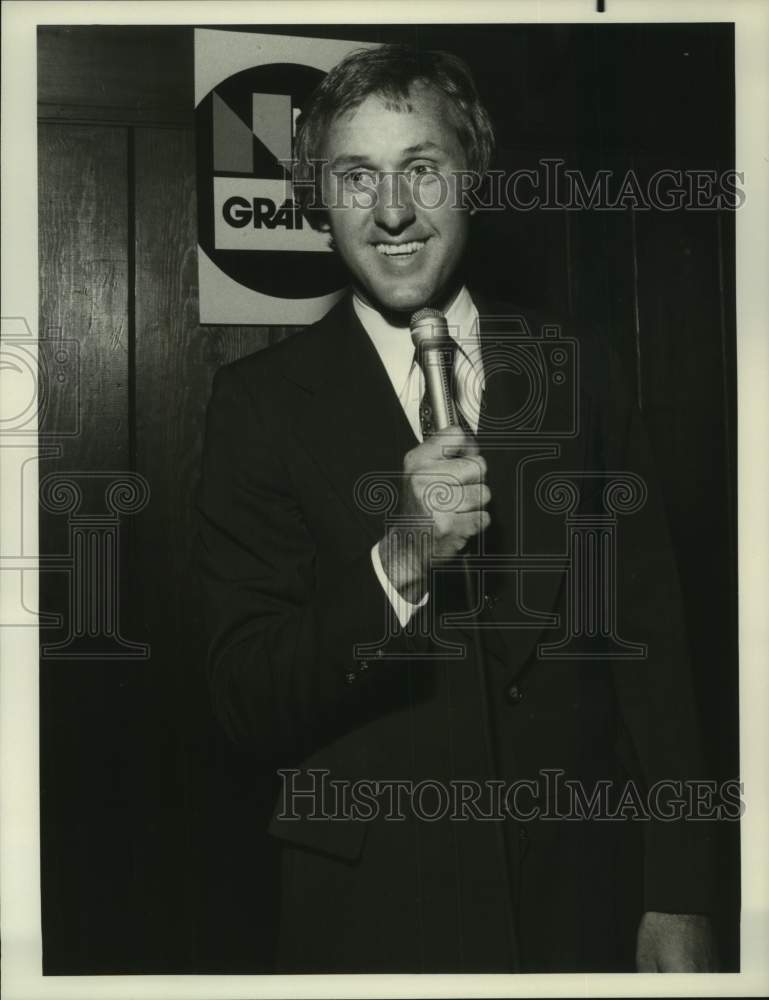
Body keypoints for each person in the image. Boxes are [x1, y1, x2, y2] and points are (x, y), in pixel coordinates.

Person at [196, 44, 716, 973]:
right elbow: (242, 700)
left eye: (421, 170)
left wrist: (678, 889)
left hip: (580, 897)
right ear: (316, 198)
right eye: (355, 176)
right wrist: (397, 561)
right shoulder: (258, 407)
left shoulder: (581, 374)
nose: (391, 211)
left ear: (471, 178)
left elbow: (654, 651)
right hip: (373, 915)